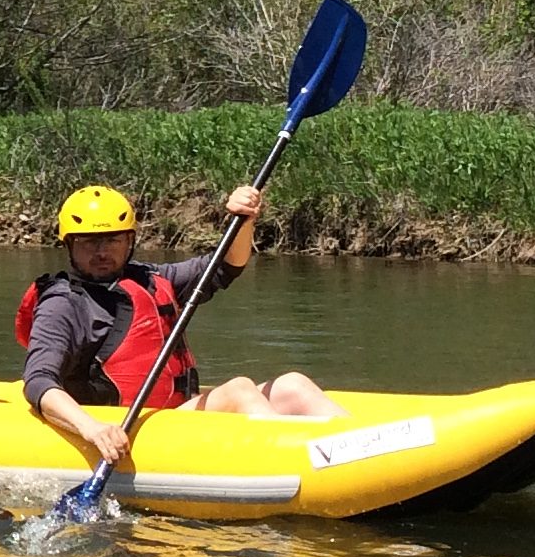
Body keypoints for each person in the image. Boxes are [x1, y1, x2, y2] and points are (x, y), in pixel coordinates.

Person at [20, 182, 334, 468]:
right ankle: (300, 466)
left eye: (113, 240)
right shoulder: (63, 303)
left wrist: (245, 220)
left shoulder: (150, 279)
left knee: (294, 385)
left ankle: (357, 453)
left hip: (172, 415)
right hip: (124, 424)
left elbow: (225, 266)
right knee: (239, 390)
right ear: (69, 245)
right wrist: (92, 428)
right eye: (89, 243)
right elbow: (38, 382)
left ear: (130, 240)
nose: (102, 252)